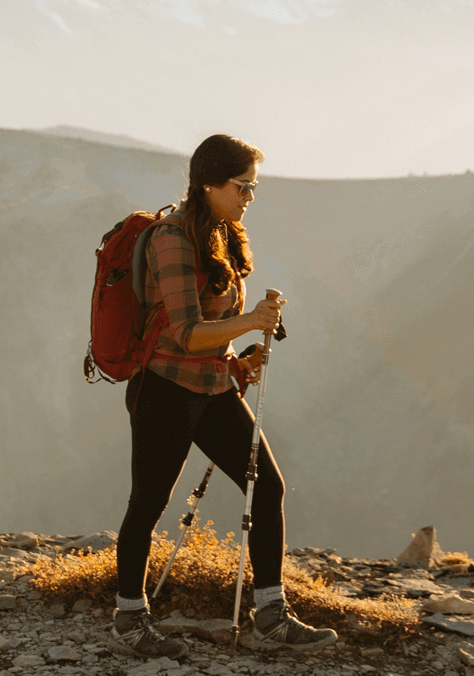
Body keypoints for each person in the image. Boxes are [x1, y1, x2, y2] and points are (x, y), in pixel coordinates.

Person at [111, 134, 338, 656]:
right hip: (164, 389)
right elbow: (187, 331)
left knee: (269, 488)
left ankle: (272, 615)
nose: (248, 198)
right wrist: (252, 320)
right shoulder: (172, 238)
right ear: (208, 182)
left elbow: (209, 331)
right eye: (241, 187)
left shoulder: (221, 234)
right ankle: (129, 620)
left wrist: (237, 359)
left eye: (252, 189)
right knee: (148, 503)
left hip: (211, 386)